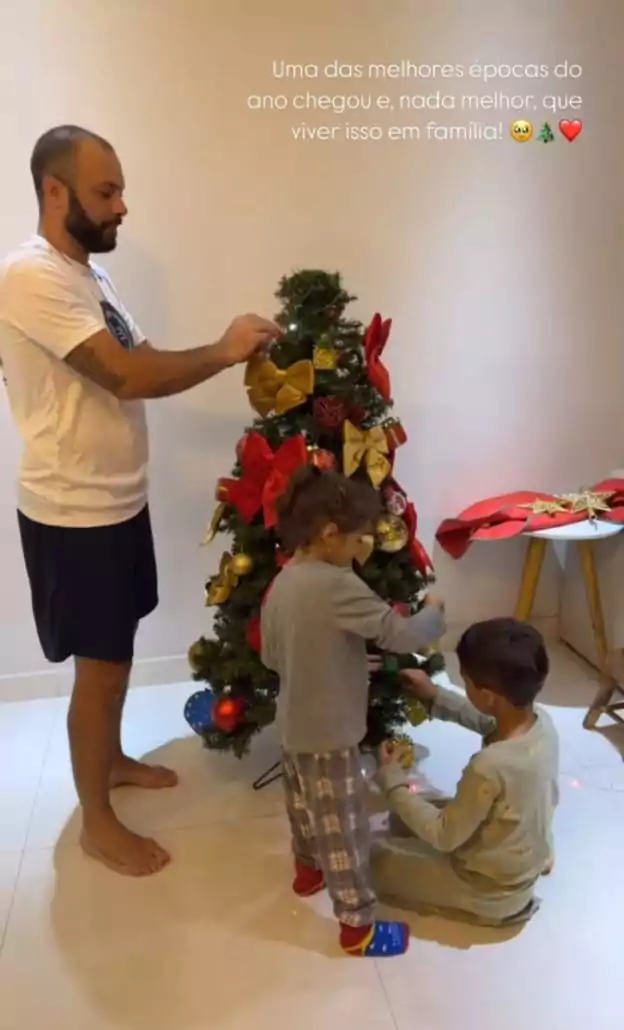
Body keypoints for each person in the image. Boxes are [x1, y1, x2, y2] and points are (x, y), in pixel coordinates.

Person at [0, 125, 282, 877]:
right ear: (54, 192)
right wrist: (223, 349)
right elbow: (124, 376)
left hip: (117, 502)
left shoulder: (88, 276)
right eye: (106, 191)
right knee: (99, 669)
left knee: (115, 657)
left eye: (120, 189)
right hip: (73, 513)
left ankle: (113, 761)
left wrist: (224, 358)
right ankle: (97, 821)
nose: (123, 206)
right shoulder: (30, 276)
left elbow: (142, 358)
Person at [260, 467, 447, 957]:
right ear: (329, 535)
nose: (364, 547)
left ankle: (307, 872)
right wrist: (434, 608)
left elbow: (272, 656)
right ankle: (357, 928)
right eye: (359, 537)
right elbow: (402, 634)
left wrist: (334, 659)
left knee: (303, 809)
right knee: (343, 826)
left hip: (294, 729)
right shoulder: (337, 584)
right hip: (331, 735)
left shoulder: (284, 582)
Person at [372, 618, 559, 926]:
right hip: (519, 849)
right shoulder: (540, 722)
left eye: (466, 682)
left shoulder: (490, 766)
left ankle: (494, 899)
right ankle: (529, 859)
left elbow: (445, 835)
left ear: (487, 696)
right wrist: (435, 695)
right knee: (401, 818)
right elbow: (490, 722)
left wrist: (391, 779)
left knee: (375, 860)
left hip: (488, 888)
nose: (463, 685)